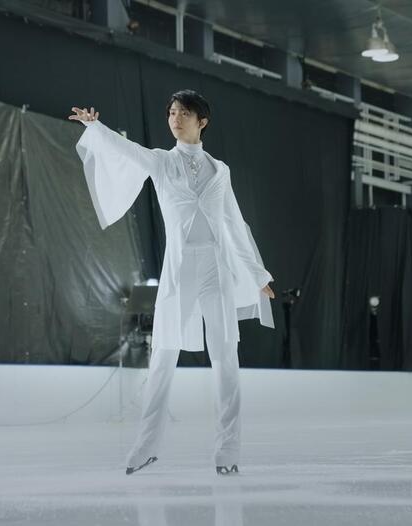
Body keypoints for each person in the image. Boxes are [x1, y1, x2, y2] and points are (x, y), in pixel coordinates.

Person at [70, 90, 275, 476]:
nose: (175, 118)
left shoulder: (221, 170)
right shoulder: (162, 162)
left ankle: (228, 451)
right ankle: (146, 446)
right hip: (179, 269)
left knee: (226, 359)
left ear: (203, 121)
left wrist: (257, 274)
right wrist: (94, 126)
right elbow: (126, 150)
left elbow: (234, 225)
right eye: (171, 112)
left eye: (184, 112)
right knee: (163, 355)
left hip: (216, 267)